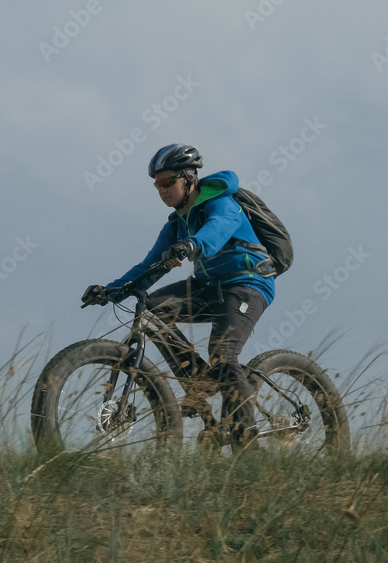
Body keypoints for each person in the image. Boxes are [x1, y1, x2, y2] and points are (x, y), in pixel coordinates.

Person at [81, 143, 276, 449]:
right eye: (157, 184)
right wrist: (111, 291)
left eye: (168, 182)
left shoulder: (221, 203)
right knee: (154, 309)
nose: (162, 190)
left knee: (223, 355)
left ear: (189, 178)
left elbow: (215, 231)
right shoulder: (176, 223)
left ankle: (247, 444)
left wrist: (191, 246)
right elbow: (149, 266)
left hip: (247, 283)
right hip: (209, 288)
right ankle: (200, 381)